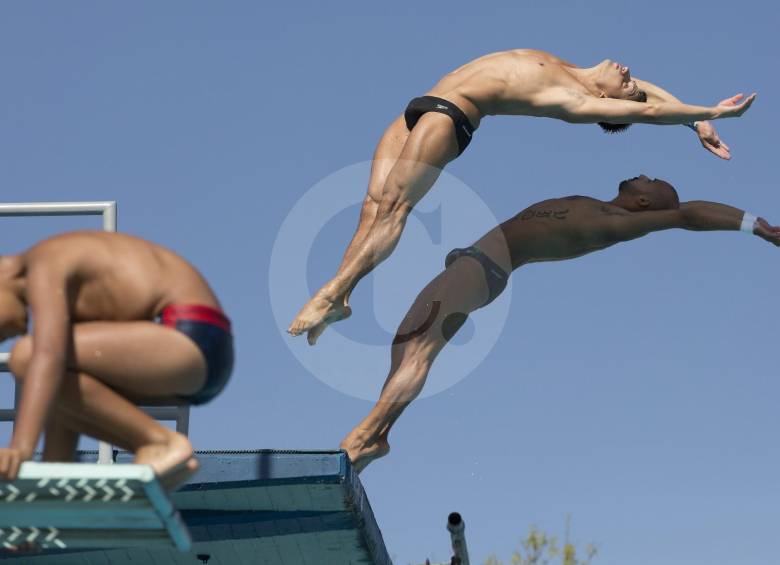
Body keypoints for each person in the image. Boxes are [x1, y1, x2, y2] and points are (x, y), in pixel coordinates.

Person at [288, 49, 756, 345]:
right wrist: (694, 121)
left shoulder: (575, 100)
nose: (631, 71)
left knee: (395, 207)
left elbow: (649, 110)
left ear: (612, 103)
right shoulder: (574, 67)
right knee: (371, 208)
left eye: (627, 85)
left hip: (453, 115)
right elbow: (649, 94)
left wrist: (712, 111)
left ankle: (330, 295)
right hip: (419, 106)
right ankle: (342, 292)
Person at [340, 175, 779, 472]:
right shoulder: (597, 204)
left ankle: (364, 438)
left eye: (650, 178)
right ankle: (379, 433)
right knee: (407, 338)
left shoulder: (621, 222)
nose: (643, 173)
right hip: (475, 263)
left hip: (485, 268)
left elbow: (687, 215)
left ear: (645, 200)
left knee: (420, 348)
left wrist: (751, 225)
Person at [0, 231, 234, 489]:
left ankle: (160, 443)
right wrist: (51, 479)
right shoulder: (75, 293)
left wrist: (20, 450)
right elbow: (61, 391)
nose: (9, 336)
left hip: (186, 335)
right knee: (51, 380)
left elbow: (47, 356)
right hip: (196, 356)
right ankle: (160, 447)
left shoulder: (43, 264)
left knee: (27, 356)